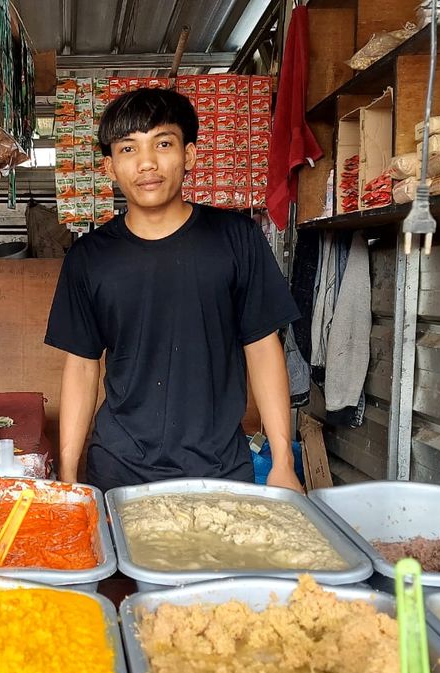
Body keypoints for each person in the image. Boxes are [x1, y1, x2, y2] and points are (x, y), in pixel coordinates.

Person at [44, 88, 303, 493]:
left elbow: (262, 347)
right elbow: (81, 366)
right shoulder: (88, 258)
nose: (147, 162)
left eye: (163, 143)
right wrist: (69, 475)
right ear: (110, 167)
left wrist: (282, 462)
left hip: (220, 470)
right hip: (118, 471)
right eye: (128, 149)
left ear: (190, 155)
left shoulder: (237, 239)